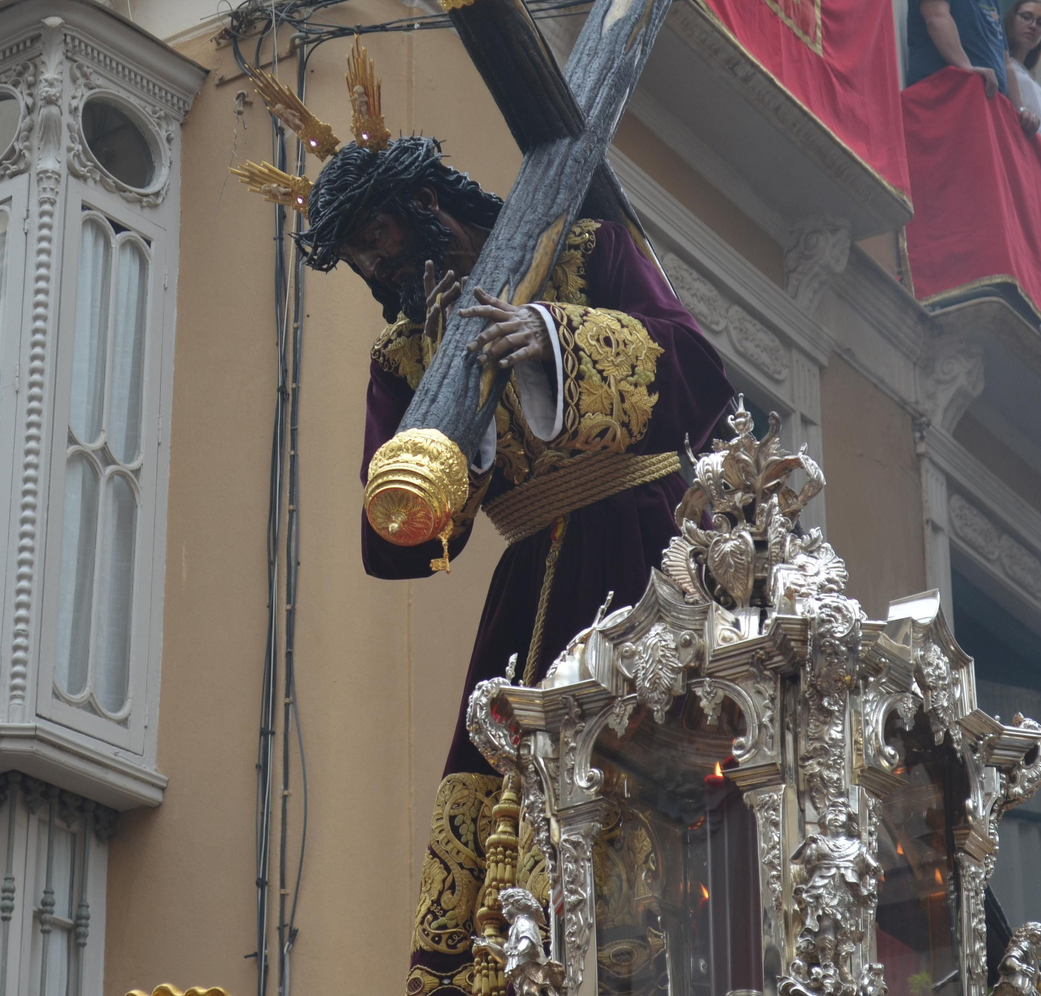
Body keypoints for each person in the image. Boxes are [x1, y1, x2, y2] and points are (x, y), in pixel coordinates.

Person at [294, 135, 734, 996]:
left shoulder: (586, 250)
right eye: (358, 262)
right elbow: (397, 535)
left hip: (653, 548)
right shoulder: (403, 358)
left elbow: (698, 371)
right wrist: (447, 453)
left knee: (691, 766)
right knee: (512, 816)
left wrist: (551, 340)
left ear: (424, 205)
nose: (378, 272)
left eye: (376, 240)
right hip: (534, 594)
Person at [907, 0, 1040, 136]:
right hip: (942, 107)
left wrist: (1020, 110)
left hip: (984, 119)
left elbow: (1006, 64)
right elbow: (937, 19)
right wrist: (967, 68)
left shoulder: (991, 1)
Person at [1005, 0, 1041, 149]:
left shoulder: (1029, 77)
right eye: (1026, 17)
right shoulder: (1001, 65)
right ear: (1012, 18)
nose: (1033, 26)